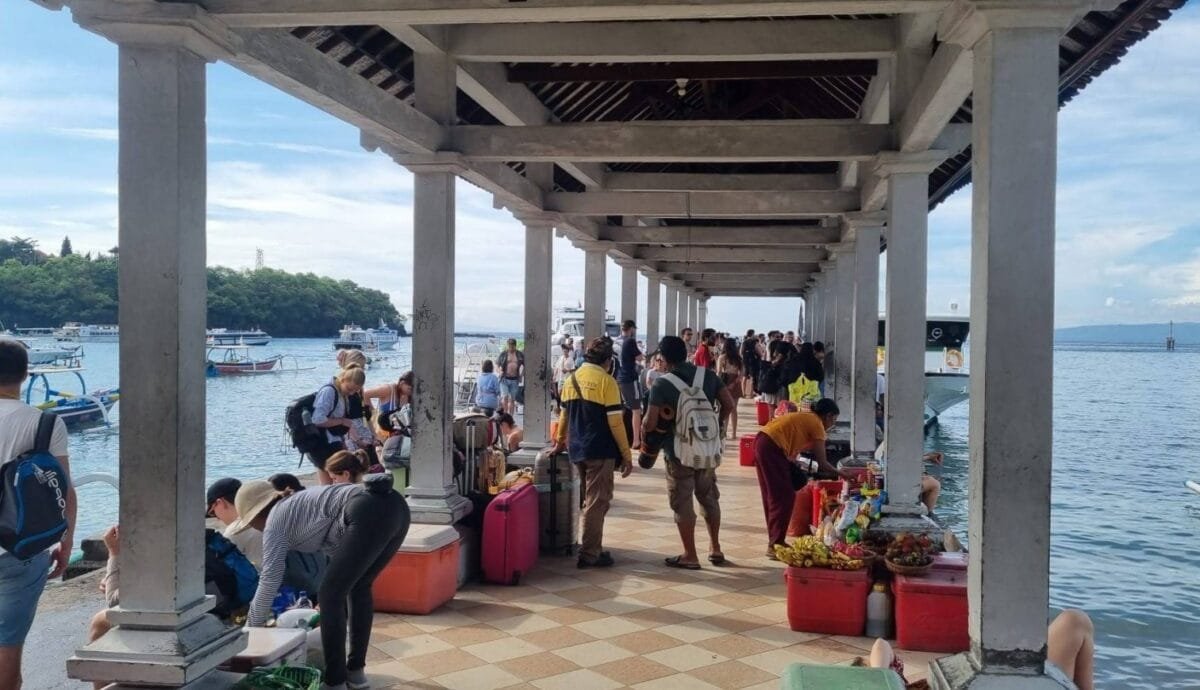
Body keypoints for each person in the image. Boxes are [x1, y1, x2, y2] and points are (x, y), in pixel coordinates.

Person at [233, 476, 409, 690]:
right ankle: (355, 674)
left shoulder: (274, 522)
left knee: (329, 595)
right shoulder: (298, 506)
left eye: (250, 523)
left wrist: (251, 629)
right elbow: (340, 553)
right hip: (396, 506)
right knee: (358, 587)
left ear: (256, 515)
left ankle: (334, 682)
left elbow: (270, 579)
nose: (254, 529)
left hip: (365, 509)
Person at [0, 340, 76, 689]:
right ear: (26, 373)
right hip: (22, 551)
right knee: (7, 652)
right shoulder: (45, 424)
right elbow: (64, 490)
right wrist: (66, 542)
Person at [640, 336, 734, 570]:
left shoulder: (662, 384)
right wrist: (717, 427)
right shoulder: (708, 376)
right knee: (709, 497)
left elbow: (651, 423)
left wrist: (643, 433)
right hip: (706, 450)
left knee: (682, 503)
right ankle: (715, 547)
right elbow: (729, 404)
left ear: (662, 358)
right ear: (686, 353)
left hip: (678, 451)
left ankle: (690, 555)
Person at [552, 337, 634, 569]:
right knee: (597, 502)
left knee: (588, 501)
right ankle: (590, 554)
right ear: (607, 361)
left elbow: (564, 416)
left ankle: (588, 546)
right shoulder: (607, 382)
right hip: (601, 449)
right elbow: (616, 423)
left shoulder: (571, 379)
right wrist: (627, 455)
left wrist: (560, 442)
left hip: (577, 449)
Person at [865, 610, 1094, 690]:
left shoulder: (892, 682)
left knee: (1074, 622)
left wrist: (879, 675)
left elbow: (880, 645)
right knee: (1074, 622)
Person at [755, 399, 855, 557]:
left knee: (772, 495)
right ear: (828, 416)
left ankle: (775, 541)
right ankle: (775, 544)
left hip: (763, 441)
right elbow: (822, 463)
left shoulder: (806, 417)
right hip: (771, 446)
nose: (832, 425)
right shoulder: (817, 424)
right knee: (783, 497)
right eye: (833, 420)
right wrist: (844, 474)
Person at [310, 365, 366, 485]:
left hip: (334, 441)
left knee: (338, 481)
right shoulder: (329, 391)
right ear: (343, 379)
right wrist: (342, 421)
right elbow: (317, 419)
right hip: (322, 444)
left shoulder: (343, 394)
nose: (351, 393)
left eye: (355, 391)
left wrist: (344, 444)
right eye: (349, 389)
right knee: (328, 484)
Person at [207, 477, 264, 567]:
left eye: (212, 512)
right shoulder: (265, 517)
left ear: (220, 503)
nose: (217, 518)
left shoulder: (234, 533)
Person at [615, 320, 643, 449]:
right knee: (636, 410)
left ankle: (615, 436)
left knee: (623, 408)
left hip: (620, 378)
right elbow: (639, 357)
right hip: (630, 378)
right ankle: (636, 440)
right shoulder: (630, 341)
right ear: (631, 329)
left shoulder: (616, 341)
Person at [363, 371, 413, 439]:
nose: (411, 392)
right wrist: (372, 412)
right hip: (382, 433)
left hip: (397, 435)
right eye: (409, 389)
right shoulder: (388, 389)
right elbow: (365, 394)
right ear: (402, 383)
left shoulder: (408, 396)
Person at [716, 340, 745, 440]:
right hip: (736, 384)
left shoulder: (722, 357)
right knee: (734, 409)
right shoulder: (738, 359)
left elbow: (719, 372)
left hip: (725, 382)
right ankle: (734, 433)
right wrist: (734, 383)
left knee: (725, 408)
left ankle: (724, 432)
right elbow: (741, 374)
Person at [496, 338, 524, 415]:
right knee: (505, 397)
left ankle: (510, 416)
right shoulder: (503, 354)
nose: (511, 348)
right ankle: (505, 414)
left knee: (512, 399)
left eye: (512, 346)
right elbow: (497, 365)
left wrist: (521, 375)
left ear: (515, 346)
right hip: (504, 379)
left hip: (514, 379)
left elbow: (525, 365)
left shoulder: (519, 354)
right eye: (509, 346)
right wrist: (500, 371)